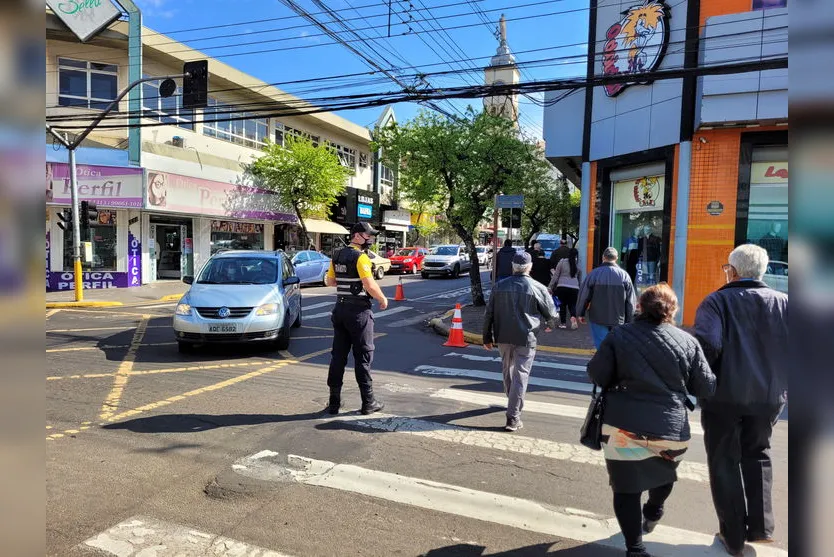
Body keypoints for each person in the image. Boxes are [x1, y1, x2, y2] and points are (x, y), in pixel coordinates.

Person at [587, 284, 716, 557]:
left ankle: (635, 549)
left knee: (626, 487)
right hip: (670, 428)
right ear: (673, 310)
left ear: (640, 307)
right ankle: (655, 509)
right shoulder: (688, 341)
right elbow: (706, 388)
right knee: (664, 473)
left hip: (623, 425)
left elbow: (598, 375)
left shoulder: (619, 336)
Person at [693, 244, 788, 556]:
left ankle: (733, 537)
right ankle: (761, 528)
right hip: (768, 398)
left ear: (731, 271)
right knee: (759, 454)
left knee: (724, 461)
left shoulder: (716, 301)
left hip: (724, 397)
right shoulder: (785, 303)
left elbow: (708, 344)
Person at [483, 251, 557, 432]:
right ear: (529, 267)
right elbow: (551, 313)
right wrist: (551, 324)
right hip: (526, 336)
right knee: (520, 375)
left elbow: (489, 314)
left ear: (513, 267)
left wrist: (486, 337)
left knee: (508, 370)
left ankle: (512, 401)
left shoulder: (499, 286)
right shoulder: (537, 287)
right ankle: (513, 416)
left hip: (503, 334)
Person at [324, 222, 389, 415]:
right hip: (358, 312)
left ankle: (334, 403)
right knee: (363, 356)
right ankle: (368, 402)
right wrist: (382, 298)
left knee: (338, 356)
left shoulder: (337, 255)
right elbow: (369, 284)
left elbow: (330, 281)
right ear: (358, 236)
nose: (371, 239)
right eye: (369, 236)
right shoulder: (361, 257)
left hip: (340, 309)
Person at [576, 247, 636, 349]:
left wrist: (580, 313)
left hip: (597, 317)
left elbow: (584, 296)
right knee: (616, 347)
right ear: (616, 258)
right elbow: (630, 301)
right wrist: (629, 319)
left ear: (603, 257)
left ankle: (603, 363)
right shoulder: (624, 276)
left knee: (601, 347)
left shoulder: (594, 274)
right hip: (618, 319)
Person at [548, 248, 582, 329]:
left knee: (562, 305)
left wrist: (550, 286)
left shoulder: (562, 262)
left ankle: (563, 323)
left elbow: (556, 275)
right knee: (572, 305)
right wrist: (578, 287)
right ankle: (573, 318)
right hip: (575, 288)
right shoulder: (577, 265)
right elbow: (579, 279)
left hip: (562, 286)